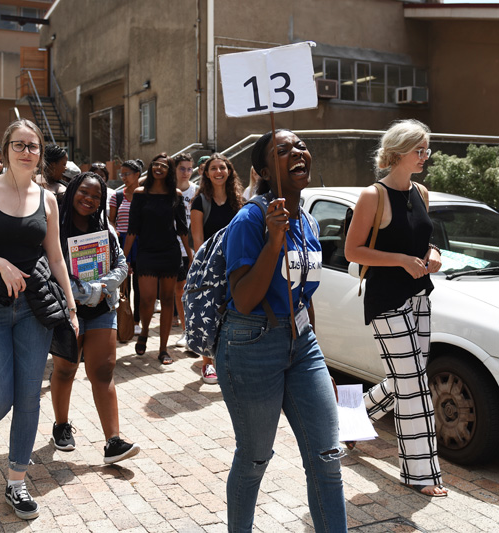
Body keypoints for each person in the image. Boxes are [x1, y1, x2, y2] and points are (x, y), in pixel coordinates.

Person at [216, 129, 346, 532]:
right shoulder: (250, 219)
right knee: (255, 458)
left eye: (301, 145)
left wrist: (317, 355)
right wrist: (273, 242)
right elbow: (244, 299)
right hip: (250, 345)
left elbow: (303, 294)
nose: (297, 152)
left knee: (327, 455)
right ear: (263, 171)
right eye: (282, 150)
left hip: (301, 345)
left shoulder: (307, 219)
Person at [0, 118, 79, 520]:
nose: (27, 152)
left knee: (27, 398)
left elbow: (55, 256)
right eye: (19, 145)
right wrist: (0, 264)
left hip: (34, 309)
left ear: (41, 153)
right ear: (5, 150)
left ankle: (17, 482)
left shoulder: (49, 199)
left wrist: (72, 308)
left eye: (34, 146)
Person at [344, 119, 447, 497]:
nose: (425, 156)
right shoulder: (373, 196)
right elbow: (353, 251)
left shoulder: (421, 191)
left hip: (421, 295)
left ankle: (347, 420)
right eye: (420, 150)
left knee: (409, 377)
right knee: (415, 385)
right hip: (387, 300)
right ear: (399, 152)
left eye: (427, 150)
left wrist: (431, 254)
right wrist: (402, 260)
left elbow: (427, 241)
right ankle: (420, 474)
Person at [50, 172, 140, 463]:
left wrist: (102, 287)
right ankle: (61, 426)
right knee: (65, 370)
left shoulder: (105, 228)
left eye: (96, 196)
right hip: (67, 310)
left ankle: (113, 442)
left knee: (103, 372)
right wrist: (85, 292)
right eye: (84, 193)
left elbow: (122, 265)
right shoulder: (55, 227)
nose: (89, 200)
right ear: (73, 190)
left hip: (102, 308)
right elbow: (52, 269)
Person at [123, 154, 192, 364]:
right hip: (146, 253)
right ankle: (144, 330)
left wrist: (191, 257)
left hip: (170, 253)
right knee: (146, 299)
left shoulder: (176, 194)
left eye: (164, 165)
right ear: (151, 167)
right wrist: (122, 258)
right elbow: (132, 229)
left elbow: (182, 229)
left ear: (169, 170)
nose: (159, 167)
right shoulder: (140, 194)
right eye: (156, 164)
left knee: (168, 300)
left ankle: (163, 350)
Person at [190, 153, 243, 384]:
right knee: (209, 312)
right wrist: (203, 270)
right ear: (206, 173)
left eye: (223, 167)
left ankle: (230, 361)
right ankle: (207, 363)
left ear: (229, 171)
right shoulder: (200, 201)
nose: (219, 171)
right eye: (214, 168)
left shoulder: (238, 200)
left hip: (236, 264)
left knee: (234, 312)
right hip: (211, 266)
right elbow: (198, 239)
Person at [109, 159, 144, 336]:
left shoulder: (145, 194)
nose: (123, 177)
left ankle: (137, 320)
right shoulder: (118, 195)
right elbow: (111, 220)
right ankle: (125, 318)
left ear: (137, 174)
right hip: (122, 241)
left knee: (139, 284)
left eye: (127, 174)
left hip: (141, 242)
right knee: (124, 284)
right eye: (121, 174)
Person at [173, 153, 198, 350]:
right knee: (179, 290)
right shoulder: (168, 192)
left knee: (196, 291)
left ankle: (198, 329)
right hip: (173, 248)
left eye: (190, 168)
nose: (186, 172)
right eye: (182, 168)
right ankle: (185, 331)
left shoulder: (197, 191)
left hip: (195, 248)